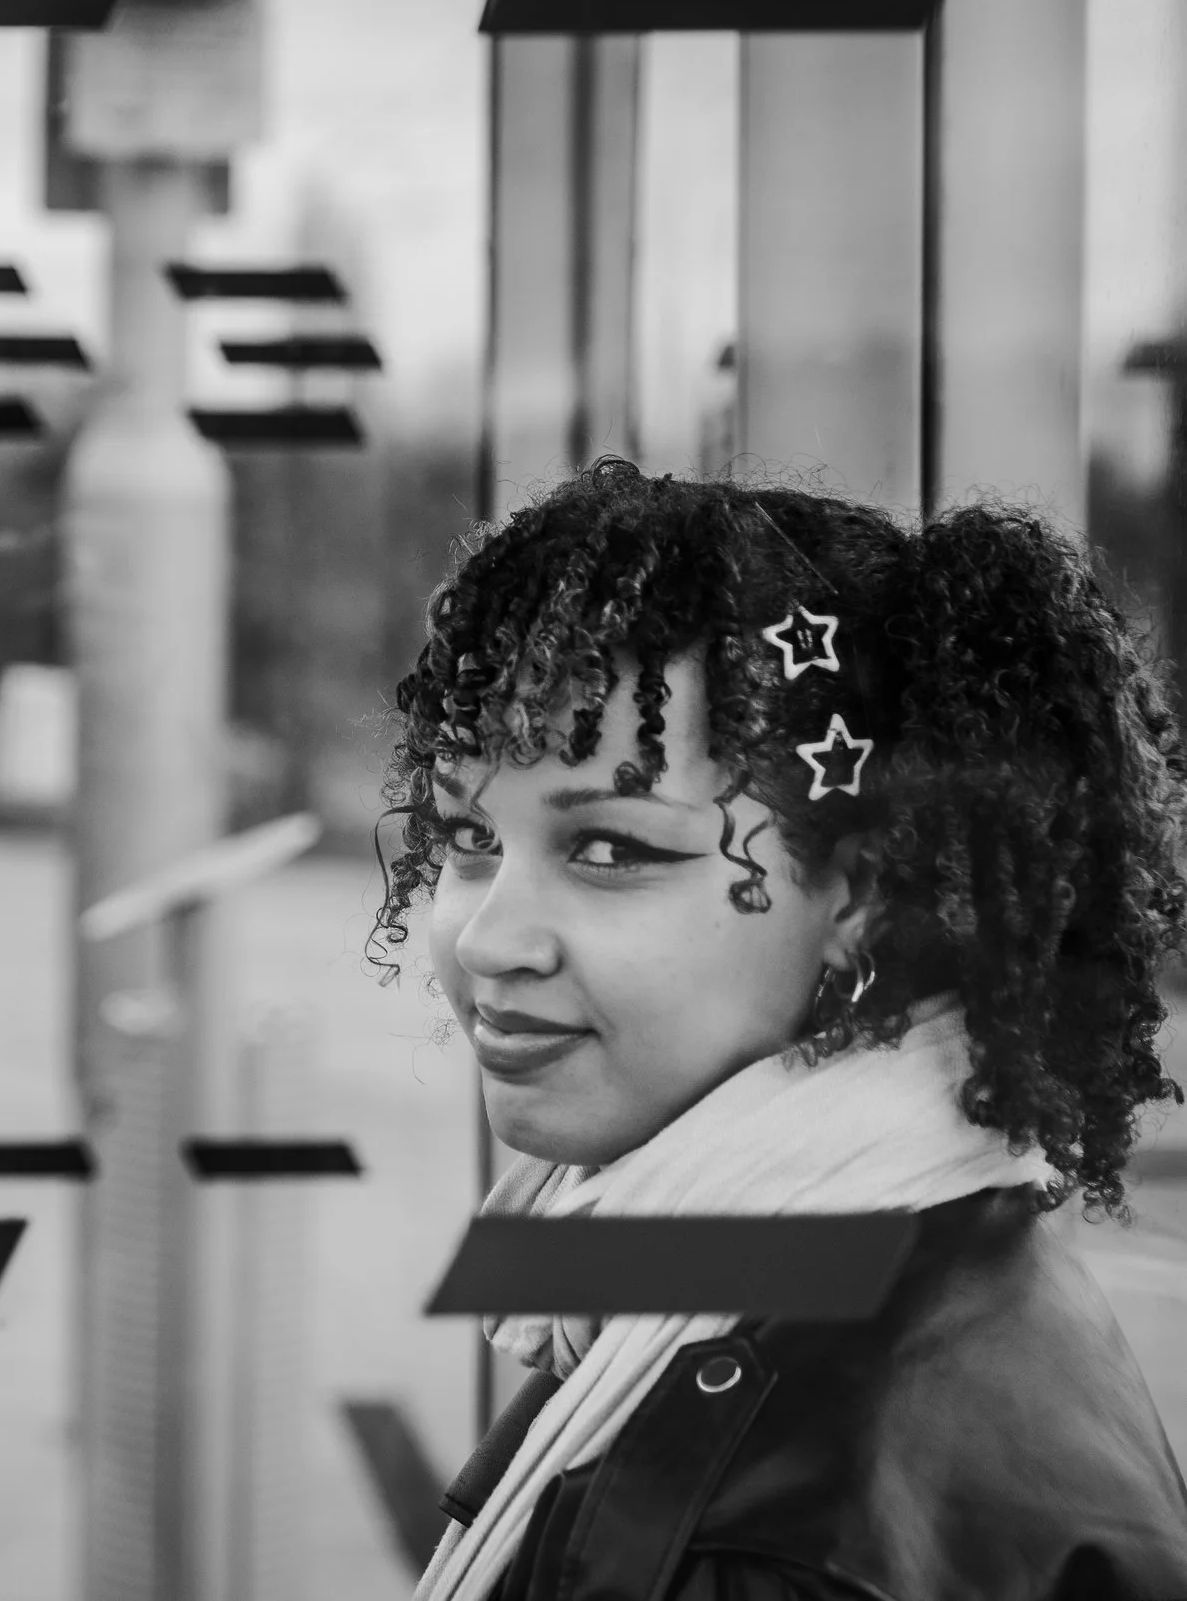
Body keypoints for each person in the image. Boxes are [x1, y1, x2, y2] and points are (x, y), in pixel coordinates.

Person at [363, 457, 1187, 1600]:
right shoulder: (890, 1248)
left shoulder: (786, 1525)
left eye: (609, 848)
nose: (488, 941)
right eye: (469, 839)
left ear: (858, 898)